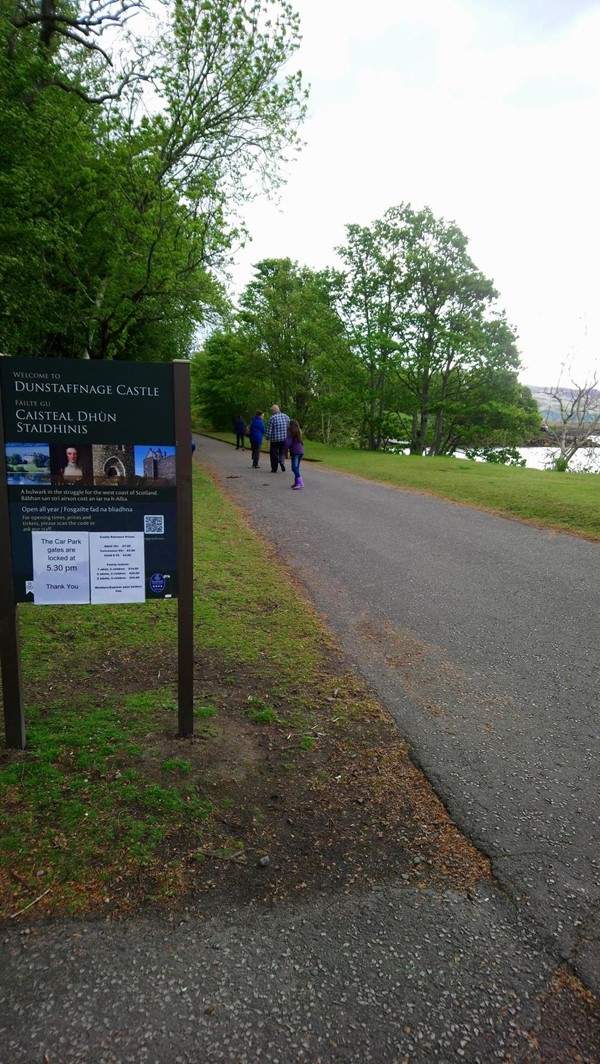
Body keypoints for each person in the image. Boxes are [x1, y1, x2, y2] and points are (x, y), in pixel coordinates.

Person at [265, 404, 290, 473]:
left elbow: (269, 430)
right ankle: (282, 461)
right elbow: (289, 428)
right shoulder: (286, 416)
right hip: (284, 439)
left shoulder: (272, 418)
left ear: (273, 411)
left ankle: (274, 468)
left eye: (271, 411)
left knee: (274, 454)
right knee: (282, 452)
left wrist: (267, 439)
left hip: (275, 440)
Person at [285, 418, 304, 489]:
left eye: (289, 424)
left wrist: (283, 451)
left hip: (295, 452)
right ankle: (296, 482)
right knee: (296, 468)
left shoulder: (290, 432)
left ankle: (300, 482)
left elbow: (288, 443)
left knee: (294, 468)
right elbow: (302, 442)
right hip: (301, 451)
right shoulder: (298, 432)